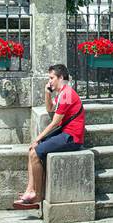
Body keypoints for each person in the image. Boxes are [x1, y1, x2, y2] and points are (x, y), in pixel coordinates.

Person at [14, 64, 84, 210]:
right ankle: (29, 190)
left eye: (52, 78)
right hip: (65, 133)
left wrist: (38, 138)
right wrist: (47, 93)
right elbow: (49, 109)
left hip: (72, 137)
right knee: (32, 150)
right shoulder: (61, 93)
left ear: (61, 78)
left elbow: (55, 122)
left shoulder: (67, 95)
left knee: (35, 152)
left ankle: (37, 195)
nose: (49, 81)